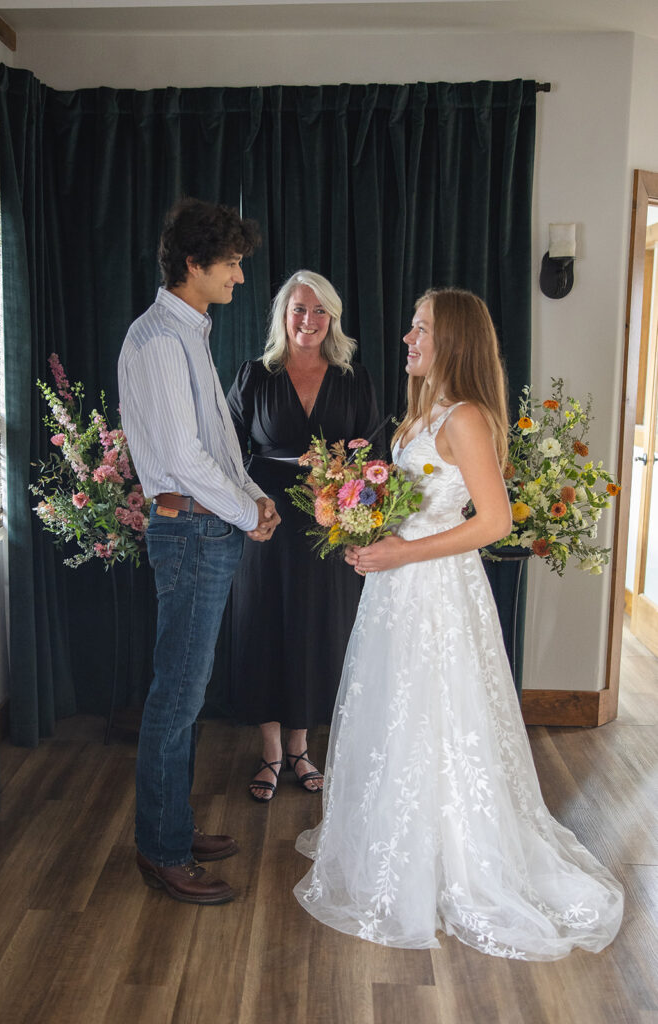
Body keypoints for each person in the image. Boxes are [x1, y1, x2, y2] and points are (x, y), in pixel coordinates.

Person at [294, 288, 624, 958]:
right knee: (398, 713)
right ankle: (400, 839)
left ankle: (453, 861)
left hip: (437, 592)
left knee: (438, 716)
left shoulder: (466, 418)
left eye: (420, 329)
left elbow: (494, 522)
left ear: (453, 343)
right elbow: (415, 504)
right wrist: (372, 533)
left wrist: (401, 550)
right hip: (398, 587)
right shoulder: (422, 415)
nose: (407, 339)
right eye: (412, 326)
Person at [118, 197, 281, 906]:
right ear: (195, 263)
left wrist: (254, 497)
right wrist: (247, 511)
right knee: (176, 698)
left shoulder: (190, 331)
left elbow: (215, 441)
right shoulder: (159, 338)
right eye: (233, 263)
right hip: (189, 532)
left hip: (205, 527)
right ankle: (161, 850)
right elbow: (182, 457)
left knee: (185, 694)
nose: (240, 277)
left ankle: (174, 830)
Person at [226, 270, 380, 802]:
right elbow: (227, 450)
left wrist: (355, 509)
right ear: (283, 316)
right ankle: (270, 753)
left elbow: (372, 456)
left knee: (317, 630)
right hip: (266, 519)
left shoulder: (353, 378)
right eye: (298, 310)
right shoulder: (255, 374)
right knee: (266, 626)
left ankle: (301, 748)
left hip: (329, 523)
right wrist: (247, 507)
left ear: (331, 317)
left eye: (318, 311)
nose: (308, 321)